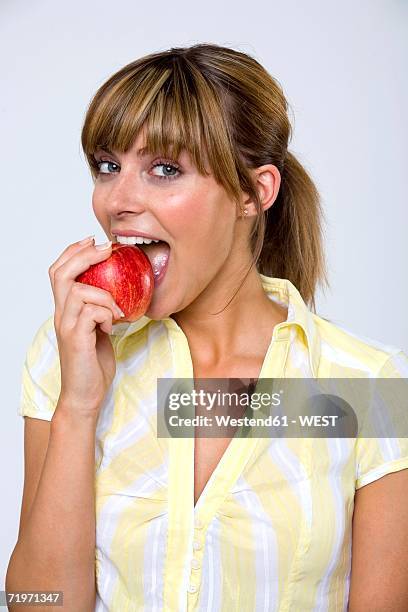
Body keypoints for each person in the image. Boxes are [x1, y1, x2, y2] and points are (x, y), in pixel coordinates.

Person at [6, 43, 408, 611]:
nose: (117, 200)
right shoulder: (64, 359)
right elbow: (35, 604)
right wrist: (77, 407)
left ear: (253, 192)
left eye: (165, 169)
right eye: (107, 166)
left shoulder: (365, 385)